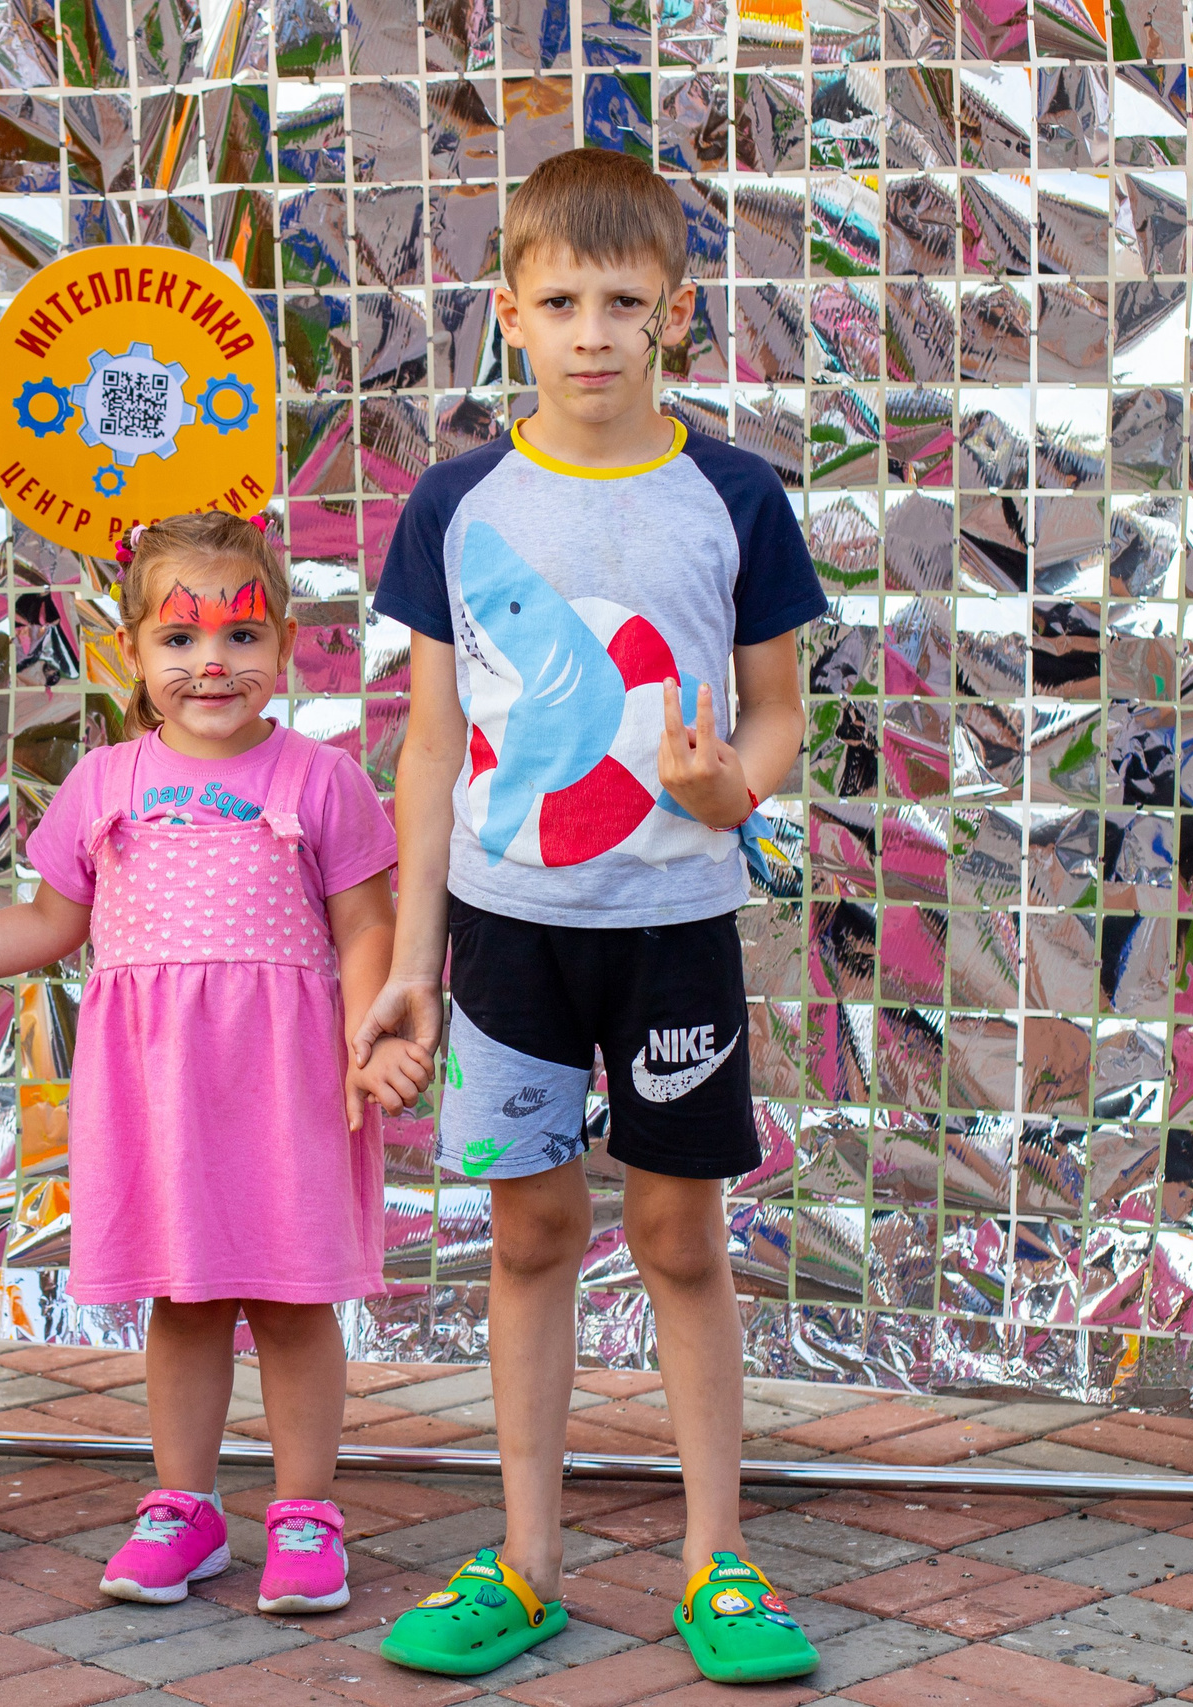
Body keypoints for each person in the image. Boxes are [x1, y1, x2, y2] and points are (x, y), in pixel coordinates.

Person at [353, 146, 829, 1685]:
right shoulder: (456, 501)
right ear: (510, 312)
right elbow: (428, 748)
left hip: (673, 924)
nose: (592, 331)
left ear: (677, 315)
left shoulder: (737, 493)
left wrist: (729, 795)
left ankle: (718, 1558)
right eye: (560, 300)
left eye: (625, 301)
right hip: (504, 939)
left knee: (679, 1230)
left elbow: (776, 718)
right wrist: (415, 965)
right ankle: (528, 1558)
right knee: (531, 1231)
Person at [0, 510, 423, 1616]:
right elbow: (46, 921)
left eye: (239, 635)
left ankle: (307, 1513)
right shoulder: (103, 784)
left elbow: (369, 925)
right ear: (129, 652)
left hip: (286, 1087)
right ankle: (184, 1507)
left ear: (285, 648)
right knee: (181, 1297)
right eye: (177, 641)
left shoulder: (321, 779)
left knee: (289, 1300)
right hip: (158, 1091)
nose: (208, 664)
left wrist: (372, 1041)